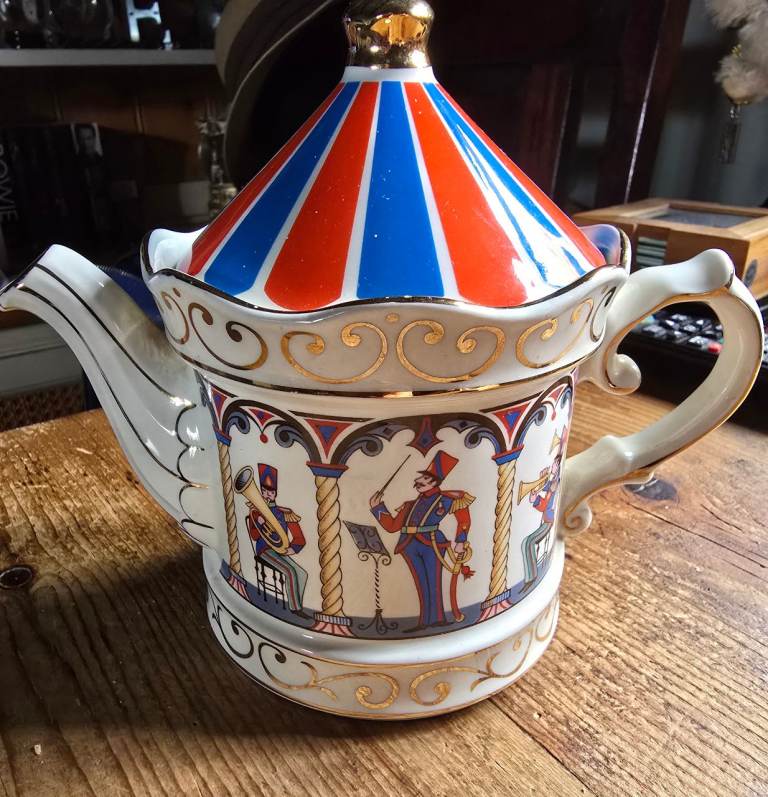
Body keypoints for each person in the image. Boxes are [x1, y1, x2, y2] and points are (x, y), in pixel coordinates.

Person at [369, 451, 474, 633]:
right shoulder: (410, 505)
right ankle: (424, 621)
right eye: (421, 477)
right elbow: (392, 527)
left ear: (435, 483)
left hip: (432, 543)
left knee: (433, 580)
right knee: (421, 583)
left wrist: (460, 541)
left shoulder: (446, 500)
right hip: (409, 545)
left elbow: (463, 518)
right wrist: (377, 507)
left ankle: (438, 619)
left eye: (425, 478)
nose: (419, 481)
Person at [246, 464, 309, 618]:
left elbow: (299, 538)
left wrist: (292, 549)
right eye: (264, 492)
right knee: (290, 572)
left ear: (275, 494)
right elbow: (254, 536)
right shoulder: (256, 512)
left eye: (271, 492)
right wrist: (259, 524)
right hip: (264, 550)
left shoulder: (284, 513)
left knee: (302, 574)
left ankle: (297, 604)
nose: (267, 495)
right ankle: (295, 609)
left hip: (281, 550)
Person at [520, 452, 561, 594]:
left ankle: (531, 578)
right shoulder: (551, 483)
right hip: (546, 520)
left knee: (528, 542)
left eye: (555, 464)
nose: (553, 466)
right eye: (554, 463)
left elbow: (545, 505)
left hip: (548, 522)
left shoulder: (554, 484)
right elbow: (541, 500)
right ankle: (530, 577)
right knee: (526, 542)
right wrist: (535, 494)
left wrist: (536, 497)